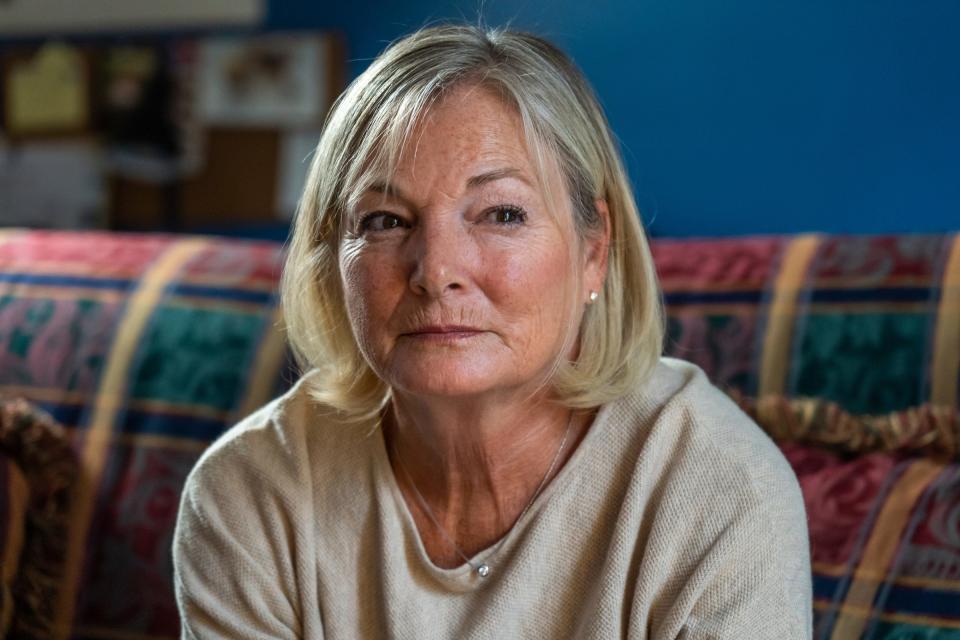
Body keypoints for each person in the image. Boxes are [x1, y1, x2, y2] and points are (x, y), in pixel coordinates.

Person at [173, 23, 812, 639]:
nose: (438, 270)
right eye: (386, 220)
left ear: (594, 248)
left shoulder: (718, 491)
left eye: (501, 214)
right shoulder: (249, 492)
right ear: (331, 258)